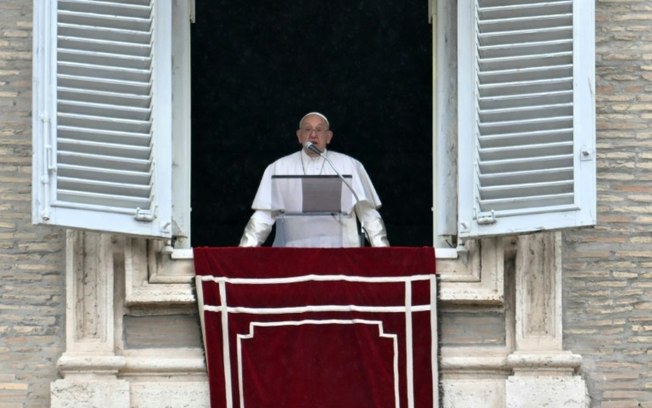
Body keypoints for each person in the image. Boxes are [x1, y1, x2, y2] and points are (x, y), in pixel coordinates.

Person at [239, 112, 390, 247]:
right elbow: (263, 217)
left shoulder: (350, 166)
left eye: (319, 130)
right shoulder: (278, 168)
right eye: (307, 129)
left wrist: (383, 253)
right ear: (299, 136)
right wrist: (243, 254)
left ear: (328, 137)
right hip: (293, 255)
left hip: (342, 255)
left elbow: (368, 214)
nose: (313, 135)